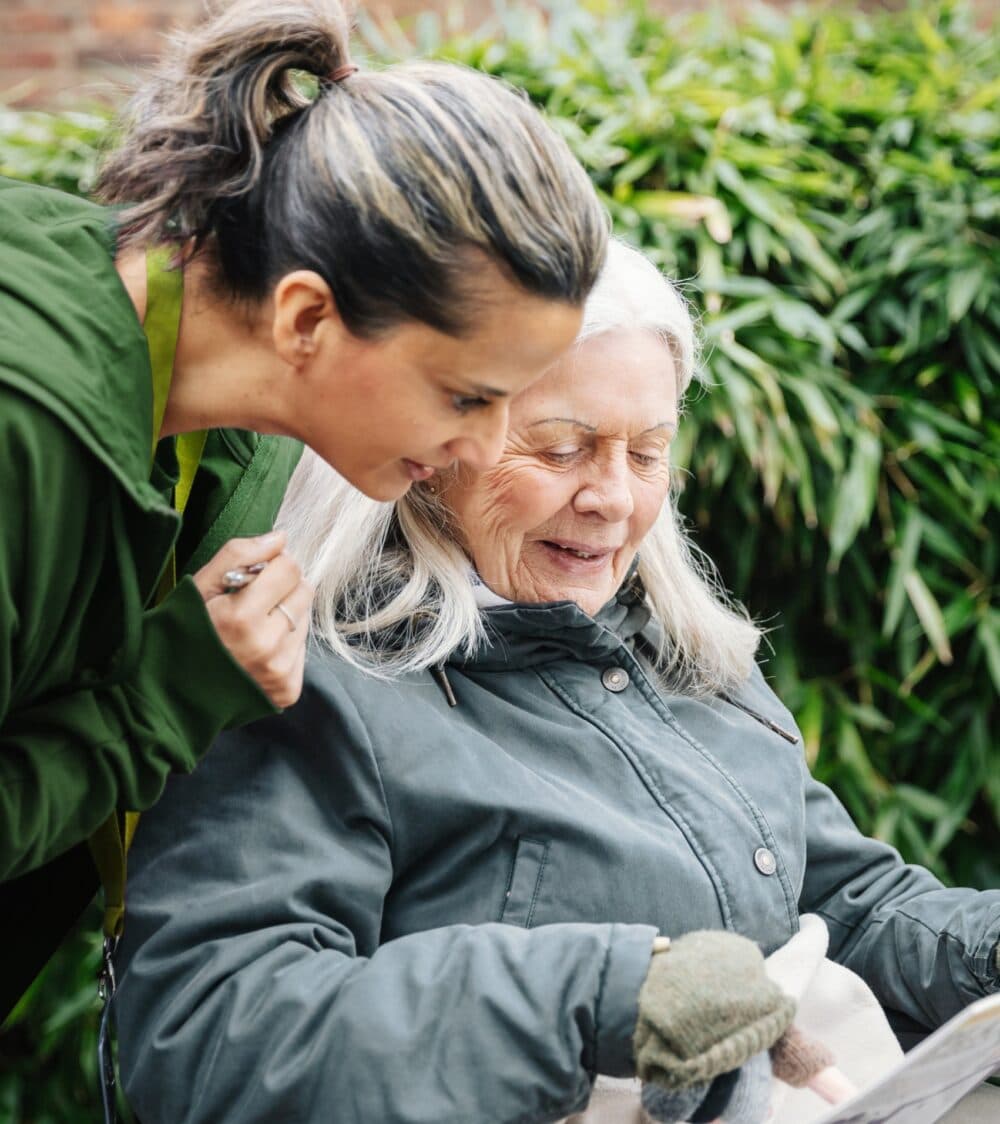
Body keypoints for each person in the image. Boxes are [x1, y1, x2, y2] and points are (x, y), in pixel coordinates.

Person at [111, 241, 1000, 1123]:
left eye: (648, 454)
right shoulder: (318, 686)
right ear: (434, 443)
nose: (613, 498)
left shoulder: (671, 649)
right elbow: (213, 1031)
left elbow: (842, 900)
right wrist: (603, 994)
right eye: (563, 448)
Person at [0, 0, 606, 1016]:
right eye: (466, 396)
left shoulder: (205, 395)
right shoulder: (24, 436)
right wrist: (163, 698)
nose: (489, 449)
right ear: (307, 317)